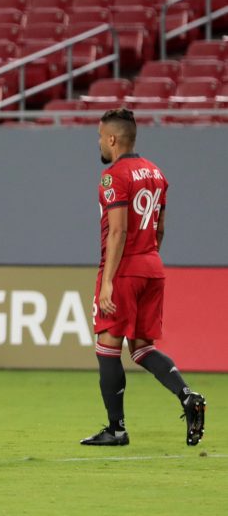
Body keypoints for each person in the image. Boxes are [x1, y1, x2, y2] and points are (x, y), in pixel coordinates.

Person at [82, 108, 206, 447]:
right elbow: (160, 227)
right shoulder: (155, 172)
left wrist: (108, 280)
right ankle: (187, 396)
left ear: (112, 138)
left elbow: (118, 230)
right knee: (141, 348)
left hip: (124, 270)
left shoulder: (113, 176)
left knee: (108, 347)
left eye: (99, 136)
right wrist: (149, 257)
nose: (99, 143)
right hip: (152, 266)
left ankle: (116, 429)